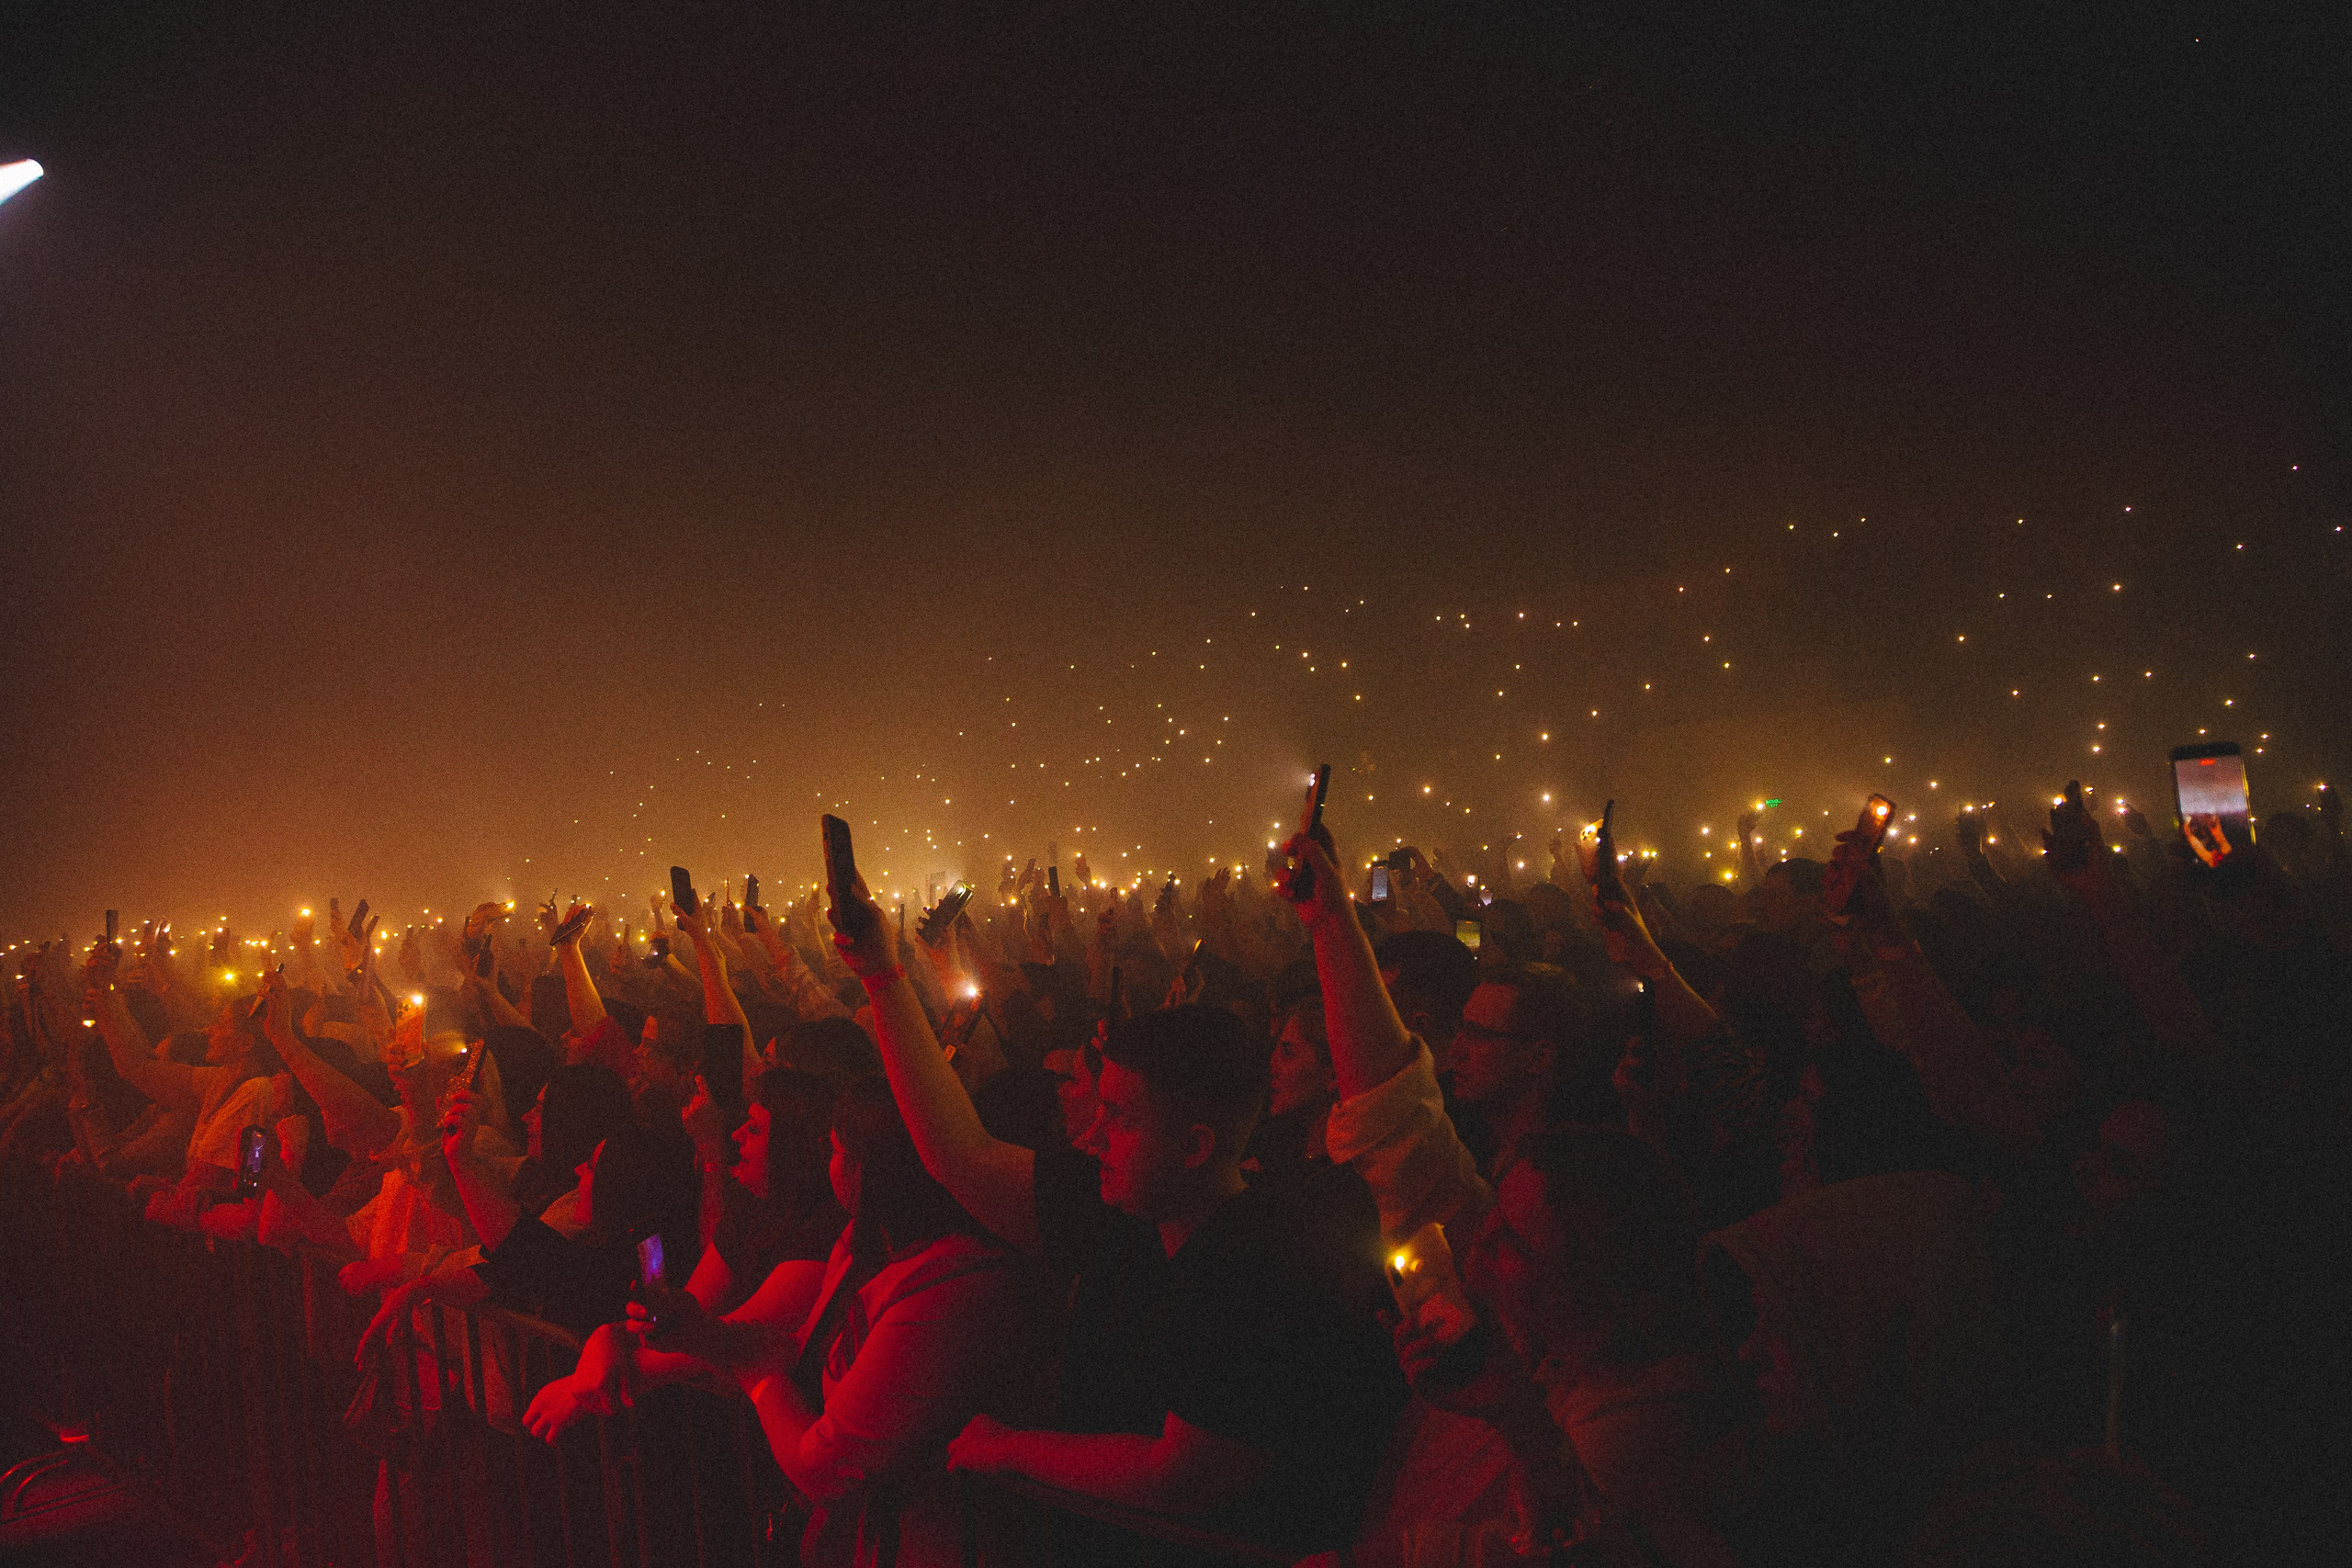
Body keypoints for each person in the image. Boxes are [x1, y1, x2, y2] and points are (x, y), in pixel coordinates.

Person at [833, 862, 1405, 1561]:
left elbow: (1183, 1473)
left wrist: (1011, 1448)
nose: (1093, 1137)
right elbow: (962, 1155)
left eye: (1121, 1119)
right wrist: (883, 977)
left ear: (1195, 1145)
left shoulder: (1261, 1263)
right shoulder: (1125, 1213)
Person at [522, 1076, 1038, 1568]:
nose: (827, 1160)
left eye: (835, 1149)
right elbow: (799, 1345)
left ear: (867, 1169)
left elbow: (823, 1462)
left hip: (935, 1543)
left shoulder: (946, 1282)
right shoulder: (859, 1243)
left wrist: (756, 1372)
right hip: (863, 1537)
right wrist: (638, 1334)